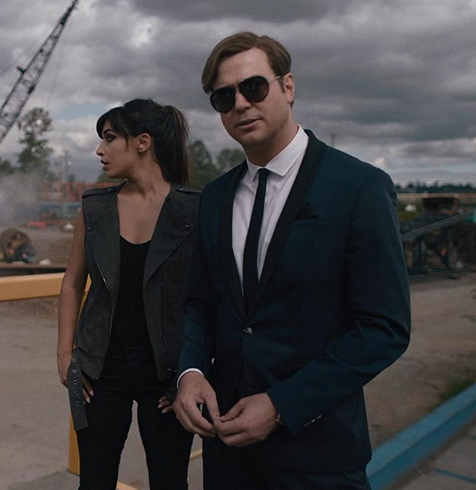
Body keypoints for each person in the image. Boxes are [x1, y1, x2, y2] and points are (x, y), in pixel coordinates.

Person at [172, 33, 411, 489]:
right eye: (224, 97)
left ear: (287, 87)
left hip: (317, 454)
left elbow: (384, 328)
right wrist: (191, 371)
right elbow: (201, 303)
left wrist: (283, 404)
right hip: (228, 451)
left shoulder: (358, 187)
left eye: (253, 87)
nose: (241, 104)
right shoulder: (216, 197)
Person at [57, 99, 200, 489]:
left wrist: (192, 371)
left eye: (109, 138)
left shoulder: (193, 210)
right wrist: (65, 355)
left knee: (170, 481)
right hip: (100, 371)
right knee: (94, 481)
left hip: (167, 372)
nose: (99, 150)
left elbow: (206, 299)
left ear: (142, 142)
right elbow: (72, 282)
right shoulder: (94, 208)